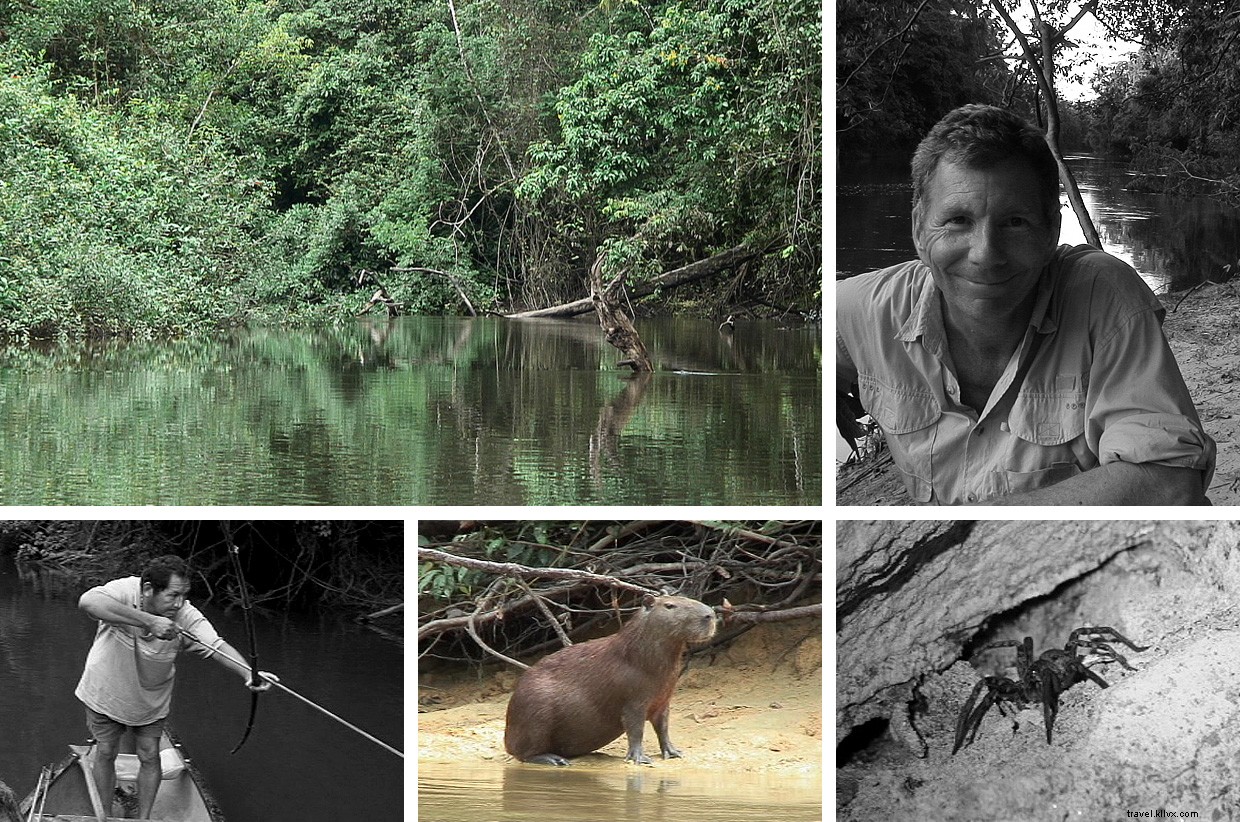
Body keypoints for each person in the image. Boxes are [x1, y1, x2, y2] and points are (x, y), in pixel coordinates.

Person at [837, 104, 1216, 505]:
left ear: (1051, 228)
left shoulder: (1103, 297)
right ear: (918, 227)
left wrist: (969, 530)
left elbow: (1170, 482)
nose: (985, 254)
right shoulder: (864, 310)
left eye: (1014, 222)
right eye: (958, 221)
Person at [76, 555, 273, 819]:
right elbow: (88, 602)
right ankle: (103, 815)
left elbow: (216, 646)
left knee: (149, 755)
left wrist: (248, 673)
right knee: (107, 750)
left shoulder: (185, 615)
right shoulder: (124, 591)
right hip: (105, 691)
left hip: (150, 700)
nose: (179, 603)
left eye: (184, 595)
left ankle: (144, 818)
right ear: (147, 590)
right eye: (172, 595)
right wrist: (149, 621)